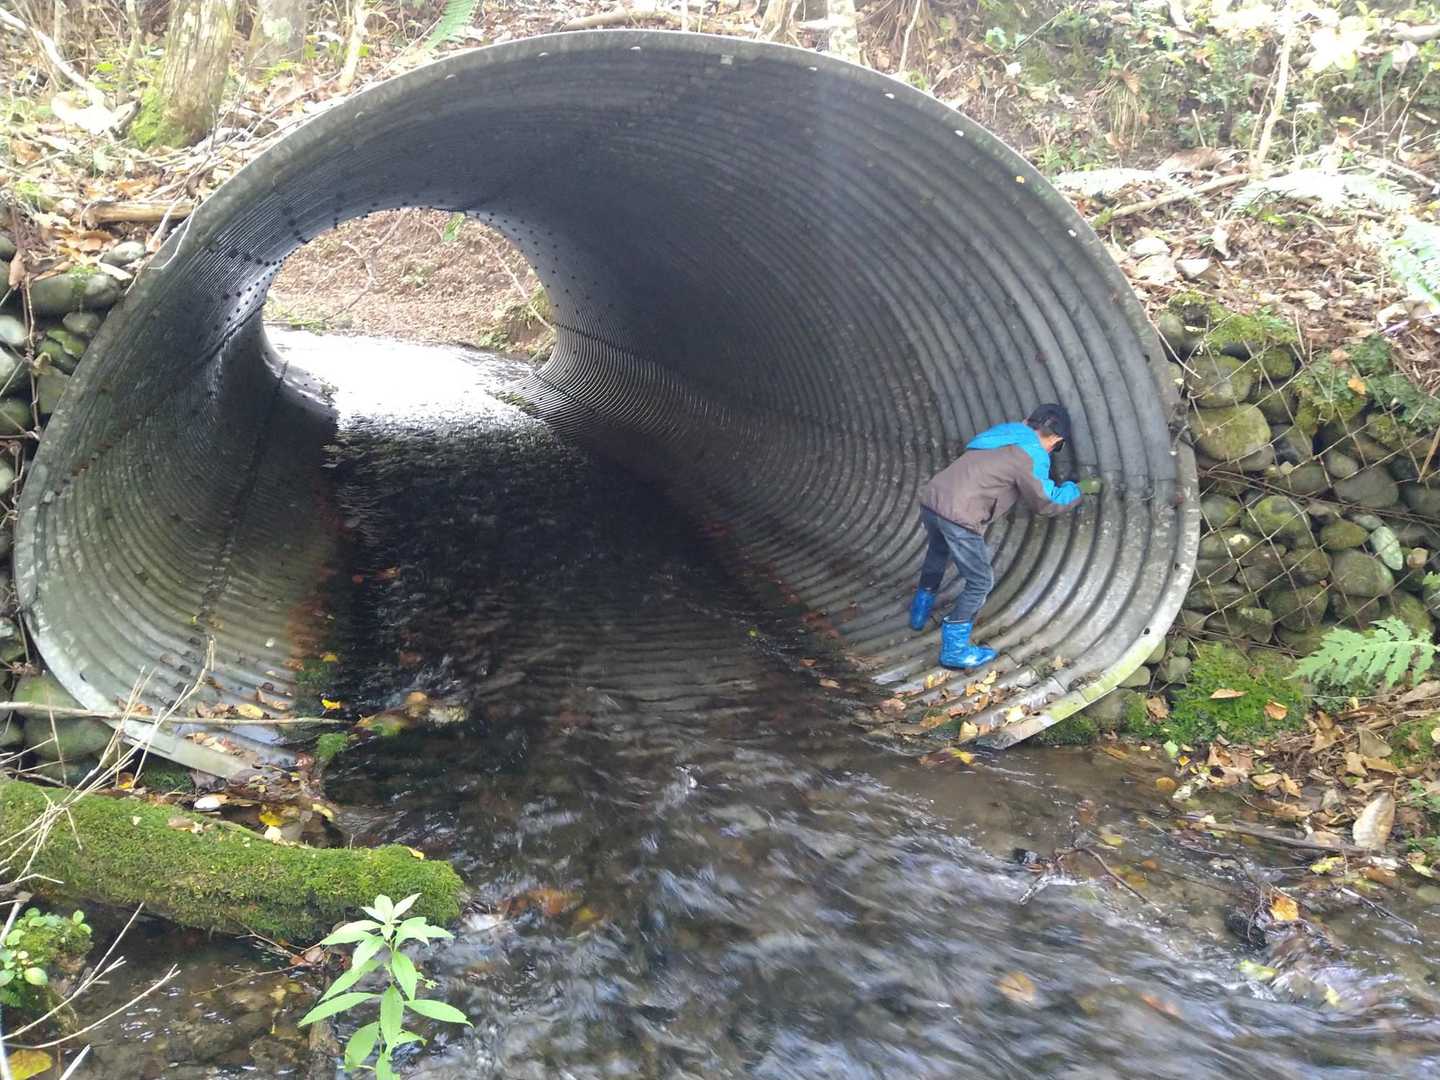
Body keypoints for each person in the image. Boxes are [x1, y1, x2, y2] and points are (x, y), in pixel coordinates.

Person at [908, 404, 1085, 670]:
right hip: (959, 515)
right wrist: (1077, 489)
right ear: (1056, 439)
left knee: (938, 550)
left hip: (933, 499)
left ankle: (919, 612)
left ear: (1027, 420)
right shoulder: (1032, 454)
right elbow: (1047, 502)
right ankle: (954, 650)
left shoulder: (1004, 432)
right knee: (980, 582)